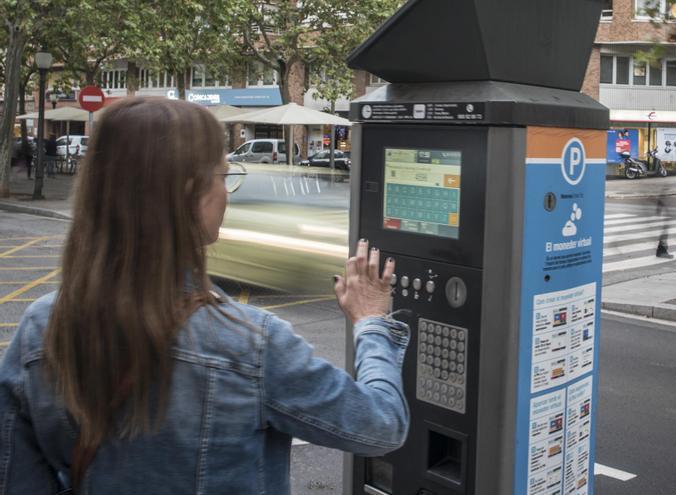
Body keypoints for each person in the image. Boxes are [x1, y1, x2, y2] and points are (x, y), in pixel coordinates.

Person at [0, 98, 409, 494]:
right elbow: (380, 426)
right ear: (189, 195)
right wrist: (371, 321)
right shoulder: (251, 343)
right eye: (224, 175)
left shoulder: (41, 327)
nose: (227, 193)